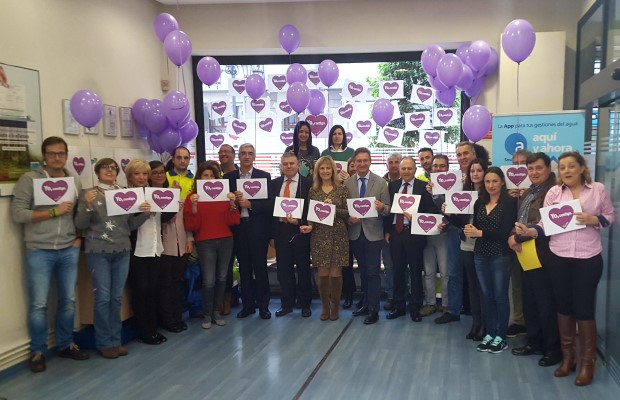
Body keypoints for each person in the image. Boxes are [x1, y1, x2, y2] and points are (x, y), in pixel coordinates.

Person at [516, 151, 614, 386]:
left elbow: (610, 216)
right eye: (562, 167)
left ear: (581, 168)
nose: (567, 171)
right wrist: (531, 231)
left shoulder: (597, 190)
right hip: (558, 257)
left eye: (571, 166)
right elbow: (545, 224)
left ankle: (587, 363)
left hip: (588, 258)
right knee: (563, 308)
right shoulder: (554, 193)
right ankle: (568, 358)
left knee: (584, 309)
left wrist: (594, 220)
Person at [12, 136, 89, 372]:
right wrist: (54, 212)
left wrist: (78, 238)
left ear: (66, 156)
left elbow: (79, 215)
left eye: (61, 153)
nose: (57, 158)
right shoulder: (29, 180)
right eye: (52, 153)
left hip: (68, 249)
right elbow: (18, 214)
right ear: (44, 156)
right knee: (39, 303)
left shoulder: (74, 181)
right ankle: (38, 351)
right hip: (39, 250)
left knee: (69, 301)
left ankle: (66, 344)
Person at [75, 158, 150, 358]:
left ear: (117, 173)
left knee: (116, 298)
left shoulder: (123, 193)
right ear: (97, 172)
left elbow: (130, 225)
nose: (109, 171)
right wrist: (87, 205)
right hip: (98, 252)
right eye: (105, 168)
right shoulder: (88, 194)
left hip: (122, 250)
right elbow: (80, 224)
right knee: (103, 298)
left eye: (113, 168)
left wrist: (145, 214)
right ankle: (104, 342)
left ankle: (116, 341)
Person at [509, 152, 561, 367]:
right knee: (530, 300)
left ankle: (552, 349)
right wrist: (513, 236)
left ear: (549, 168)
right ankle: (534, 342)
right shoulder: (530, 190)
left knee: (545, 303)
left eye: (539, 168)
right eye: (530, 169)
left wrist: (516, 237)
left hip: (543, 253)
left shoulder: (554, 192)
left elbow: (544, 224)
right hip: (526, 252)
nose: (534, 172)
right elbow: (521, 219)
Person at [464, 167, 517, 354]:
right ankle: (489, 333)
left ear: (502, 182)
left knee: (500, 296)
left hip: (500, 254)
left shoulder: (509, 203)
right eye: (487, 181)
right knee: (486, 296)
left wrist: (480, 233)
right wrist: (471, 230)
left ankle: (500, 336)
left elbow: (504, 232)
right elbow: (476, 227)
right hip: (480, 254)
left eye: (495, 181)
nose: (491, 185)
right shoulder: (479, 202)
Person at [184, 162, 240, 329]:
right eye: (205, 175)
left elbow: (234, 221)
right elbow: (191, 226)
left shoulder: (224, 196)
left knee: (222, 277)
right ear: (199, 178)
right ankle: (207, 314)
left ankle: (217, 311)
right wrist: (194, 206)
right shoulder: (192, 198)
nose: (209, 179)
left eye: (212, 176)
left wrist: (232, 204)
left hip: (226, 240)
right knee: (208, 280)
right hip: (205, 242)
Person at [126, 159, 174, 345]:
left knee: (153, 291)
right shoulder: (126, 195)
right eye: (137, 174)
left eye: (145, 174)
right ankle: (144, 331)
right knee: (140, 292)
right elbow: (127, 224)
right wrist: (142, 213)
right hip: (137, 250)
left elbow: (162, 218)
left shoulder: (154, 193)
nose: (141, 177)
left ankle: (153, 328)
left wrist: (174, 205)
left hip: (155, 248)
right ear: (130, 176)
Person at [384, 157, 437, 322]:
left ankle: (415, 307)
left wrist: (416, 217)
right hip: (396, 233)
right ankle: (399, 306)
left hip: (414, 234)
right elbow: (388, 210)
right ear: (399, 170)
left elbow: (431, 210)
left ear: (415, 170)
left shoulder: (422, 187)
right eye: (403, 168)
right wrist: (387, 231)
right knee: (398, 271)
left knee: (415, 272)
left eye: (409, 168)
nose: (406, 171)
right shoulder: (392, 186)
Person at [225, 143, 274, 319]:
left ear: (254, 157)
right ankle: (248, 306)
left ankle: (264, 307)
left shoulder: (264, 176)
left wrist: (250, 204)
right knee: (244, 268)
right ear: (238, 156)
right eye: (243, 153)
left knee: (260, 268)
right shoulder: (228, 178)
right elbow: (223, 205)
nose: (246, 156)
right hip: (238, 229)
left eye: (250, 153)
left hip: (258, 230)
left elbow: (270, 204)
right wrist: (232, 202)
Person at [443, 158, 488, 341]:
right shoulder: (464, 193)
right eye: (472, 171)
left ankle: (485, 325)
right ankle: (476, 324)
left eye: (479, 170)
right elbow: (461, 223)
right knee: (472, 287)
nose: (475, 174)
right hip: (466, 244)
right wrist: (448, 214)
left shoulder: (489, 193)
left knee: (484, 287)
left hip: (483, 245)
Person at [345, 148, 391, 325]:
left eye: (365, 160)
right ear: (354, 163)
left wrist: (382, 208)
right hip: (355, 233)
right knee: (363, 272)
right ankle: (365, 303)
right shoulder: (347, 184)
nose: (362, 164)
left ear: (370, 161)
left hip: (374, 234)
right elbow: (344, 209)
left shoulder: (380, 182)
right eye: (359, 161)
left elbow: (388, 209)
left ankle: (374, 309)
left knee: (373, 272)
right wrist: (348, 218)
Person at [304, 156, 350, 321]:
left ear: (333, 170)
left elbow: (348, 213)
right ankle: (325, 307)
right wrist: (309, 226)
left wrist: (333, 208)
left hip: (338, 235)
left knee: (336, 272)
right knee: (322, 271)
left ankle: (335, 307)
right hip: (319, 235)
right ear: (318, 171)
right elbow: (311, 214)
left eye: (328, 168)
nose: (325, 171)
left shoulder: (342, 189)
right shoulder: (313, 190)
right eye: (322, 168)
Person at [435, 141, 476, 324]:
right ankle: (453, 310)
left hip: (476, 231)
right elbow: (445, 206)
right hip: (454, 230)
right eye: (459, 154)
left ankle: (478, 313)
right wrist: (436, 196)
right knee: (453, 271)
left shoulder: (480, 174)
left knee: (476, 274)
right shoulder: (452, 178)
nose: (462, 157)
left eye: (465, 153)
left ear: (473, 154)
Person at [150, 160, 193, 333]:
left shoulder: (174, 194)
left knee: (177, 283)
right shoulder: (148, 197)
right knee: (165, 285)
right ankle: (168, 320)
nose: (159, 175)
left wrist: (189, 239)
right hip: (163, 247)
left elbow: (185, 220)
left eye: (161, 172)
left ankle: (177, 317)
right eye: (155, 172)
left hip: (181, 246)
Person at [271, 153, 313, 318]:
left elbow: (311, 209)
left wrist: (299, 221)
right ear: (281, 166)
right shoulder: (275, 184)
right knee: (284, 270)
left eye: (291, 163)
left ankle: (305, 304)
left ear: (298, 165)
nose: (288, 166)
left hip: (300, 231)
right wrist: (272, 235)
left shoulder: (308, 184)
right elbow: (270, 211)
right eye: (285, 164)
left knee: (303, 270)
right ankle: (287, 304)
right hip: (281, 232)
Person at [420, 154, 450, 317]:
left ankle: (446, 304)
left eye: (442, 166)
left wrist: (435, 195)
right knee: (429, 271)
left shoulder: (453, 186)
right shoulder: (423, 186)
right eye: (435, 166)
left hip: (444, 234)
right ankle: (430, 303)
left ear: (447, 168)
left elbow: (449, 208)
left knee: (445, 272)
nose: (438, 169)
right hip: (427, 234)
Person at [506, 149, 531, 338]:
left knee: (533, 285)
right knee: (516, 283)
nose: (518, 167)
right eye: (515, 164)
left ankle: (534, 322)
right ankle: (518, 320)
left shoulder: (538, 188)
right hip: (513, 241)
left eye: (523, 164)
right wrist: (509, 197)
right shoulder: (507, 186)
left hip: (533, 242)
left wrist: (525, 196)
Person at [381, 152, 401, 311]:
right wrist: (386, 230)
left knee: (404, 266)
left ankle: (404, 294)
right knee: (389, 266)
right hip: (386, 231)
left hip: (406, 231)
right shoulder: (381, 183)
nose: (394, 165)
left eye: (397, 162)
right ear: (386, 165)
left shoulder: (410, 181)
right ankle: (391, 296)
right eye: (391, 162)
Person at [342, 157, 357, 309]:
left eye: (355, 165)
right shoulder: (341, 184)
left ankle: (364, 296)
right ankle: (348, 294)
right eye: (351, 166)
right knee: (346, 265)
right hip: (344, 230)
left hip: (360, 229)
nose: (354, 168)